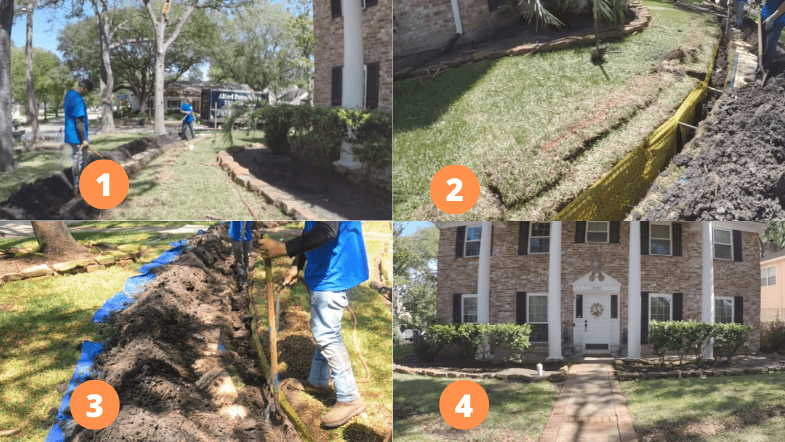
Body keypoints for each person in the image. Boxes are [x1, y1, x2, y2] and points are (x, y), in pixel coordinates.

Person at [257, 221, 369, 428]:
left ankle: (350, 397)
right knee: (324, 329)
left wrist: (284, 248)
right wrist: (295, 265)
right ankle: (318, 381)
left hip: (335, 271)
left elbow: (327, 230)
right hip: (333, 266)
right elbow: (312, 227)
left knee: (326, 334)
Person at [64, 79, 93, 195]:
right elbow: (79, 121)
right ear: (84, 88)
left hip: (70, 135)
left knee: (77, 159)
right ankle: (79, 187)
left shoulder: (69, 95)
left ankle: (79, 186)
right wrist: (84, 140)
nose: (88, 94)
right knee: (81, 161)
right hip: (78, 137)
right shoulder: (78, 99)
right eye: (88, 91)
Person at [229, 221, 254, 287]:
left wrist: (257, 229)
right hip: (236, 236)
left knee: (247, 257)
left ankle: (246, 274)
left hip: (248, 236)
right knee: (239, 258)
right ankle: (241, 276)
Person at [762, 0, 785, 69]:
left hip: (776, 20)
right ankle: (758, 68)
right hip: (765, 15)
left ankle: (762, 71)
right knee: (762, 44)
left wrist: (773, 18)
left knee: (769, 44)